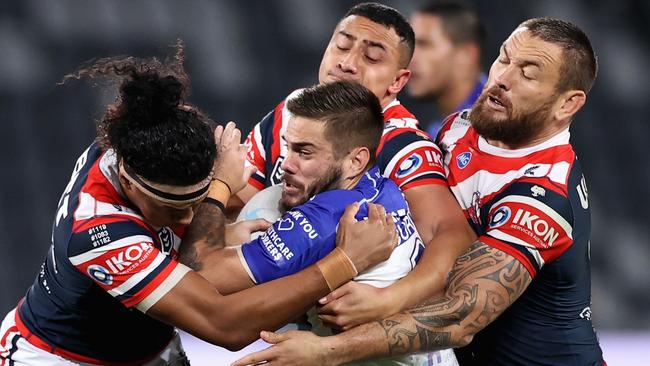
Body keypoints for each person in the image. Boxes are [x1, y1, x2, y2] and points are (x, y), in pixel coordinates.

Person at [233, 17, 605, 366]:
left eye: (528, 74)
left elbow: (461, 317)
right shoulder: (459, 129)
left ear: (568, 103)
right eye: (503, 58)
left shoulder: (543, 195)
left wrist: (333, 346)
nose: (502, 78)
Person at [0, 44, 397, 365]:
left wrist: (220, 224)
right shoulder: (100, 235)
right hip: (62, 357)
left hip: (152, 351)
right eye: (175, 211)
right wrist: (343, 263)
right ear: (128, 185)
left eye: (198, 199)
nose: (190, 217)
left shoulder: (147, 135)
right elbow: (225, 326)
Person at [235, 1, 475, 321]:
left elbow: (455, 237)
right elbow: (238, 204)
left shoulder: (401, 144)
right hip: (297, 326)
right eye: (342, 46)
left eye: (372, 57)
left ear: (398, 81)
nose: (347, 63)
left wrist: (391, 299)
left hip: (374, 336)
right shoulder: (292, 111)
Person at [207, 80, 457, 365]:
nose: (286, 163)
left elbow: (205, 283)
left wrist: (221, 184)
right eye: (288, 148)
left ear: (355, 161)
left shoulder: (322, 221)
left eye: (305, 152)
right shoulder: (382, 187)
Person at [408, 1, 486, 137]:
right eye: (411, 45)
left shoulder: (497, 124)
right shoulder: (438, 131)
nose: (410, 58)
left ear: (466, 55)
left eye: (424, 44)